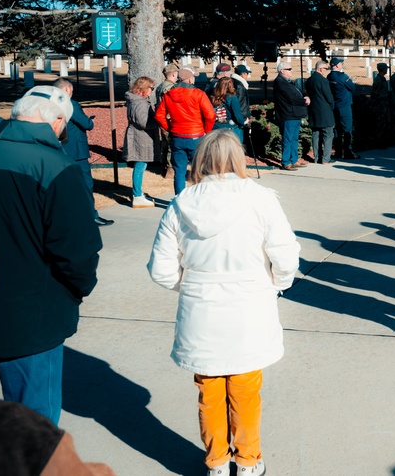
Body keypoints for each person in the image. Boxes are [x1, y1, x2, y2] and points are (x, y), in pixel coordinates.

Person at [148, 130, 300, 476]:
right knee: (245, 389)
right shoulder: (261, 199)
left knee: (210, 391)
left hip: (201, 309)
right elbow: (286, 255)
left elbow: (161, 269)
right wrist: (276, 284)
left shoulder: (181, 204)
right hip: (249, 305)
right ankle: (248, 461)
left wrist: (192, 287)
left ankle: (216, 462)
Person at [0, 86, 102, 425]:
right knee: (32, 432)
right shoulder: (57, 167)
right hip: (30, 323)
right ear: (56, 123)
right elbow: (78, 251)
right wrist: (76, 291)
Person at [0, 219, 116, 476]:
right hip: (31, 321)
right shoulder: (52, 175)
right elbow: (76, 243)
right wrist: (74, 293)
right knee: (37, 440)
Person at [54, 77, 113, 226]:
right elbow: (86, 124)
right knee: (86, 184)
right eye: (72, 90)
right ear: (67, 89)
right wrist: (90, 121)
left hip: (58, 149)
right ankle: (90, 215)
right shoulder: (70, 104)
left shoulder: (49, 104)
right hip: (76, 150)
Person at [156, 67, 217, 195]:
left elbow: (159, 115)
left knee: (179, 171)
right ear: (190, 79)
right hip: (196, 136)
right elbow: (210, 115)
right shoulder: (198, 94)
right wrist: (206, 131)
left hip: (177, 136)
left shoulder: (168, 95)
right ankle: (199, 198)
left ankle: (179, 199)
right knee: (199, 170)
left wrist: (170, 128)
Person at [123, 76, 159, 208]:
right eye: (151, 88)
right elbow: (143, 122)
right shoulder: (140, 103)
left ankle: (138, 193)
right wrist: (157, 122)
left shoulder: (137, 100)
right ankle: (137, 195)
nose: (152, 90)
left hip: (140, 136)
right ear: (143, 88)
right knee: (140, 165)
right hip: (141, 137)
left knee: (141, 165)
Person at [273, 61, 309, 170]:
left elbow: (299, 92)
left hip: (295, 114)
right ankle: (286, 162)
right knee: (287, 139)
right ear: (282, 71)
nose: (291, 70)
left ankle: (294, 159)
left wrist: (306, 96)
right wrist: (304, 101)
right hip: (288, 114)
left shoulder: (288, 82)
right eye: (289, 69)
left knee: (294, 139)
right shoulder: (280, 82)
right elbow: (292, 98)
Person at [305, 60, 336, 164]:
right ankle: (326, 159)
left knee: (316, 134)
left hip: (313, 110)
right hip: (325, 111)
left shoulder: (309, 80)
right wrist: (332, 105)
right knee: (328, 134)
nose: (326, 71)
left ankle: (317, 157)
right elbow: (329, 96)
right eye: (326, 68)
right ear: (321, 69)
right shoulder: (323, 81)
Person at [328, 56, 358, 159]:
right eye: (341, 63)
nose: (342, 65)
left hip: (335, 105)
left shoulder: (329, 77)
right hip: (344, 105)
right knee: (347, 129)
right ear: (337, 65)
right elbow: (353, 87)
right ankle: (348, 152)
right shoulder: (342, 77)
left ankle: (338, 152)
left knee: (337, 130)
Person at [210, 77, 245, 143]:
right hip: (230, 128)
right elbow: (238, 116)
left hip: (216, 127)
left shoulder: (213, 97)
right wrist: (242, 124)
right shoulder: (232, 98)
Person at [370, 62, 391, 149]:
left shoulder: (382, 79)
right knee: (380, 124)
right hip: (380, 105)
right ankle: (379, 142)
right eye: (386, 68)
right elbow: (375, 93)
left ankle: (383, 141)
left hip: (384, 104)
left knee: (384, 123)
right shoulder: (378, 80)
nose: (387, 70)